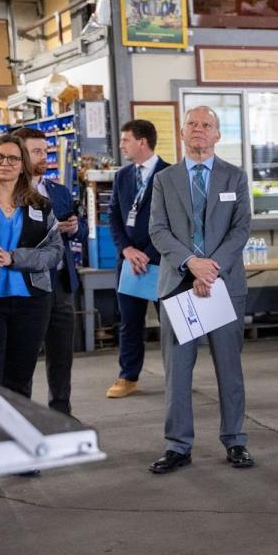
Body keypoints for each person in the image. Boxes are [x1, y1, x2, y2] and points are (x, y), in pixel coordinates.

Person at [147, 106, 254, 474]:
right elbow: (158, 230)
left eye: (206, 125)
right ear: (181, 133)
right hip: (179, 285)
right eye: (192, 124)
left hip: (224, 285)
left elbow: (241, 229)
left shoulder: (234, 177)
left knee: (229, 368)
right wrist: (192, 264)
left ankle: (235, 440)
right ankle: (177, 446)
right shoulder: (164, 179)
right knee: (177, 371)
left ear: (218, 135)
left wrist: (211, 269)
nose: (199, 130)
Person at [14, 128, 87, 415]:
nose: (44, 157)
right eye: (36, 151)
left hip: (59, 282)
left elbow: (81, 228)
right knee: (23, 355)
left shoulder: (57, 191)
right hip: (25, 283)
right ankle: (22, 419)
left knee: (61, 354)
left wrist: (75, 227)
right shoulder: (10, 193)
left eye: (46, 150)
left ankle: (61, 413)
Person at [0, 134, 64, 399]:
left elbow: (55, 252)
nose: (5, 163)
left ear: (23, 165)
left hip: (32, 303)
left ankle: (15, 437)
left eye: (13, 158)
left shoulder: (40, 205)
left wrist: (14, 258)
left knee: (20, 379)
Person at [106, 119, 171, 398]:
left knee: (171, 324)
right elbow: (114, 217)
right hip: (130, 263)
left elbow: (179, 223)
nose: (122, 145)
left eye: (125, 140)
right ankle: (128, 377)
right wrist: (127, 251)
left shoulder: (171, 175)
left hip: (162, 262)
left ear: (142, 141)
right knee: (130, 322)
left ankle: (177, 376)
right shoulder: (122, 176)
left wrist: (150, 254)